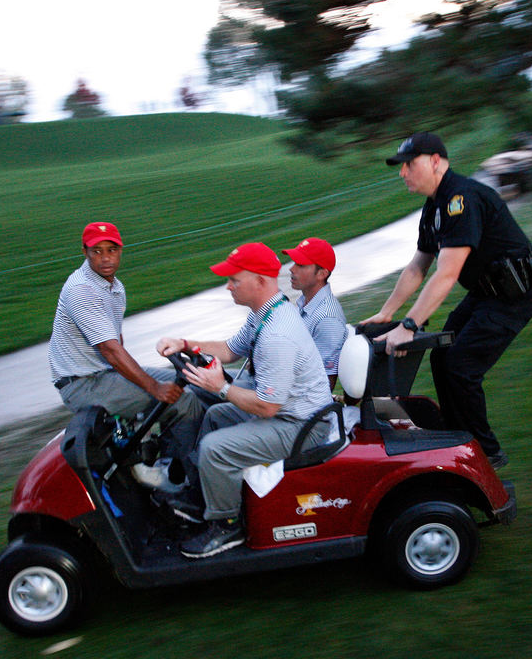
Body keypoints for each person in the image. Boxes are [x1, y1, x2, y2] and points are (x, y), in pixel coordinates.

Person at [362, 132, 532, 469]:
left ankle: (484, 451)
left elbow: (446, 275)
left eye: (409, 164)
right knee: (442, 356)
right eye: (400, 166)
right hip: (486, 293)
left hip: (514, 297)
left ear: (435, 161)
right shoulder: (434, 206)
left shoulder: (460, 199)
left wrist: (409, 325)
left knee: (462, 367)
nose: (403, 172)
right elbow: (419, 266)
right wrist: (386, 312)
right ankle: (455, 437)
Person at [156, 243, 333, 559]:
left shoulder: (277, 333)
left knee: (215, 447)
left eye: (234, 280)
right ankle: (206, 499)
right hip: (289, 415)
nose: (227, 286)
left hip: (302, 427)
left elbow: (267, 407)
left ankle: (226, 524)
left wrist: (220, 386)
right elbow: (229, 349)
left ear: (261, 282)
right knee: (215, 417)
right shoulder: (266, 314)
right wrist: (184, 343)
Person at [48, 221, 205, 482]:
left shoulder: (113, 286)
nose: (105, 258)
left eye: (111, 249)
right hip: (83, 384)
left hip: (104, 374)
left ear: (121, 250)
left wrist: (145, 382)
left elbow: (116, 343)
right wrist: (153, 388)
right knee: (183, 401)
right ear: (84, 252)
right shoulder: (82, 291)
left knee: (194, 382)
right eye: (96, 251)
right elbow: (110, 350)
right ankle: (188, 481)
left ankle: (167, 458)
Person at [281, 237, 349, 390]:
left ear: (322, 274)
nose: (292, 269)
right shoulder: (305, 302)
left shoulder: (327, 319)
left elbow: (324, 384)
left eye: (301, 265)